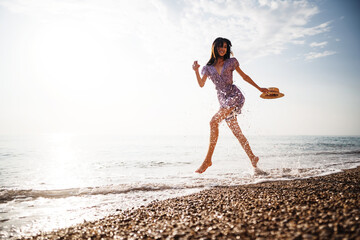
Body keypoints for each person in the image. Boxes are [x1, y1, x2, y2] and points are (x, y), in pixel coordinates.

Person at [192, 37, 269, 174]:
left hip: (234, 96)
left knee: (213, 122)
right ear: (215, 48)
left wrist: (259, 88)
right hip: (222, 99)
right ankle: (252, 158)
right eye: (220, 46)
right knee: (236, 131)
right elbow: (201, 84)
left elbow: (244, 76)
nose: (223, 49)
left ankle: (207, 160)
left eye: (225, 47)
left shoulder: (231, 62)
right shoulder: (207, 68)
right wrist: (196, 71)